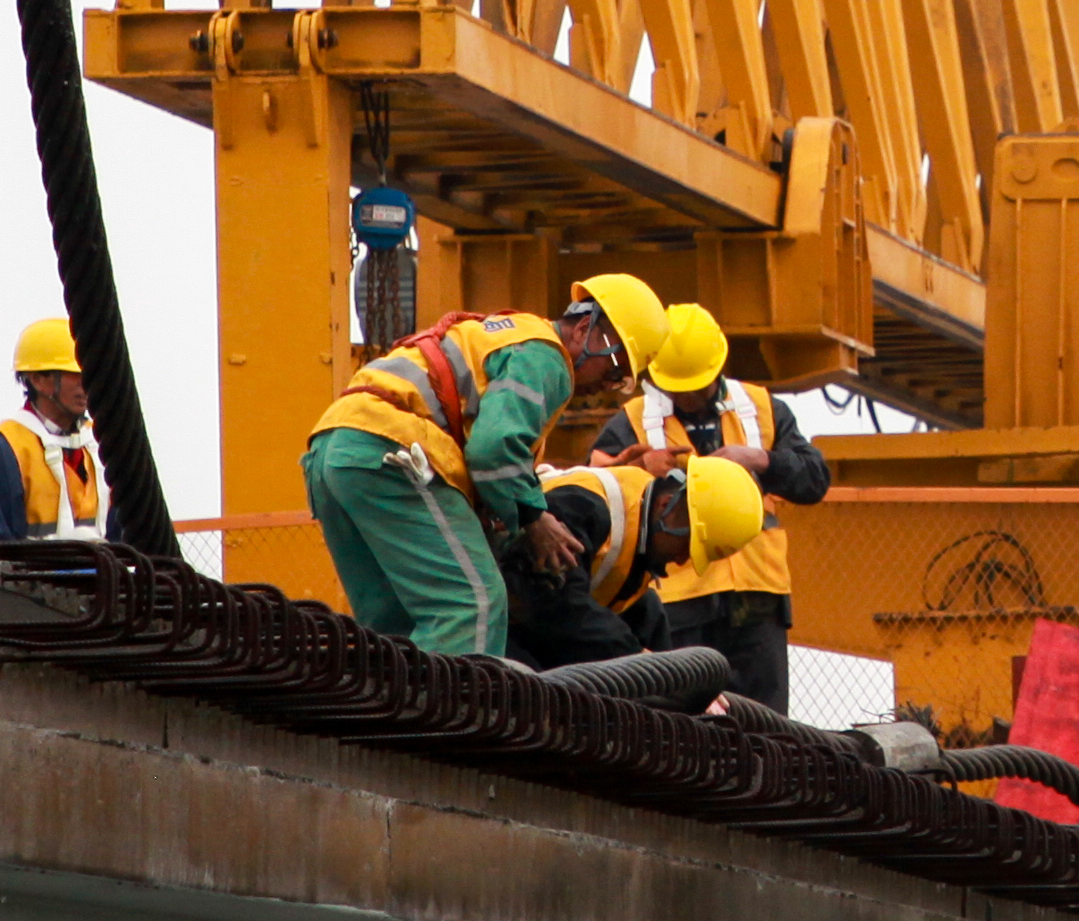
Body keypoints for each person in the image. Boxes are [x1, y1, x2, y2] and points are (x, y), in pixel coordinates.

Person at [300, 272, 670, 658]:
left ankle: (383, 713)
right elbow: (493, 450)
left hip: (336, 453)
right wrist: (533, 518)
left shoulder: (506, 337)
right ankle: (450, 719)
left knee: (398, 626)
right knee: (471, 605)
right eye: (613, 369)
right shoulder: (547, 358)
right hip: (391, 451)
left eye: (621, 382)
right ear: (583, 329)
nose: (606, 386)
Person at [621, 305, 836, 710]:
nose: (686, 397)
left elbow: (814, 480)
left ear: (716, 369)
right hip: (682, 599)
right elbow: (600, 486)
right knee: (685, 720)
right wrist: (638, 468)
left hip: (756, 594)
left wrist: (761, 460)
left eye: (695, 387)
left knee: (766, 726)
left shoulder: (761, 408)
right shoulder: (634, 420)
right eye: (677, 389)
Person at [506, 454, 767, 669]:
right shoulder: (586, 505)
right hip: (493, 625)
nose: (680, 559)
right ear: (667, 505)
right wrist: (638, 659)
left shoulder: (635, 557)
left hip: (526, 631)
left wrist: (682, 684)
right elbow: (557, 604)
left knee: (648, 609)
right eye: (686, 545)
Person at [0, 316, 109, 544]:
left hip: (100, 578)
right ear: (39, 380)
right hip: (29, 579)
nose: (86, 384)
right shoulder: (2, 450)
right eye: (75, 375)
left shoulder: (102, 444)